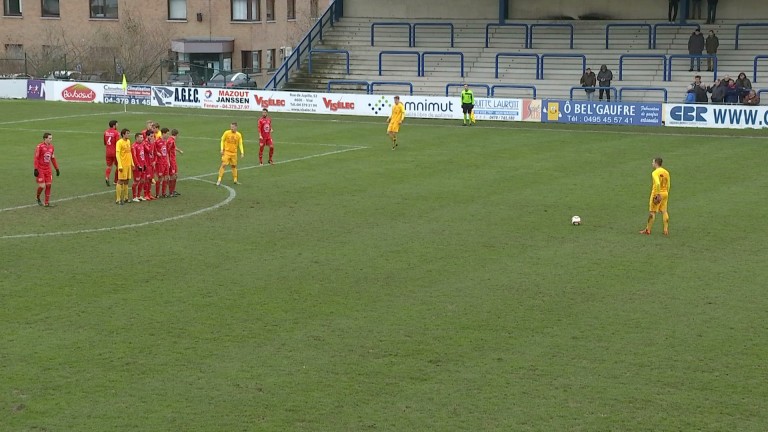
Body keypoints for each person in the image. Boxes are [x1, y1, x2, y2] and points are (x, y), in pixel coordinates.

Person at [639, 157, 671, 236]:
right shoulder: (666, 172)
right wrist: (666, 193)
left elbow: (657, 183)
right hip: (665, 193)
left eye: (653, 162)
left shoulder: (655, 173)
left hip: (657, 193)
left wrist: (657, 194)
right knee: (664, 211)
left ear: (656, 163)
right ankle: (666, 229)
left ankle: (648, 230)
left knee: (652, 212)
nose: (652, 163)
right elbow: (669, 184)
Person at [33, 132, 60, 207]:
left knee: (49, 185)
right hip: (40, 169)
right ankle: (37, 197)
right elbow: (36, 158)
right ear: (45, 138)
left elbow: (53, 158)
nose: (51, 139)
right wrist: (35, 169)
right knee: (42, 186)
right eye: (49, 138)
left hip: (48, 169)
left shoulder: (52, 147)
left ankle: (47, 203)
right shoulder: (40, 147)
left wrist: (56, 168)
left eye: (51, 138)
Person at [217, 122, 244, 186]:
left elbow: (240, 144)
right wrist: (221, 149)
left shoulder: (239, 135)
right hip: (227, 152)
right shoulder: (226, 133)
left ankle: (235, 180)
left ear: (236, 127)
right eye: (231, 127)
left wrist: (242, 152)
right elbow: (222, 140)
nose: (231, 128)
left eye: (233, 127)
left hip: (234, 153)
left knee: (234, 166)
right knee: (223, 164)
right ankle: (219, 179)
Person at [115, 128, 133, 205]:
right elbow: (117, 154)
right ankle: (118, 199)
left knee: (126, 181)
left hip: (128, 164)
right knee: (120, 181)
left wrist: (132, 163)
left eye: (129, 133)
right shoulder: (119, 142)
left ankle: (126, 198)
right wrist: (120, 165)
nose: (128, 135)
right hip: (123, 165)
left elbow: (129, 153)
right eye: (127, 133)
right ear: (123, 134)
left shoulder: (128, 141)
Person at [155, 128, 171, 197]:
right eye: (167, 133)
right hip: (160, 162)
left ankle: (164, 193)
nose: (168, 135)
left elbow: (167, 152)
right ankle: (157, 194)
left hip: (165, 162)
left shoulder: (166, 141)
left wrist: (168, 162)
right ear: (163, 133)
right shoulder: (157, 141)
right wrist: (157, 153)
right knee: (160, 178)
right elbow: (153, 151)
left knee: (166, 177)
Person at [130, 133, 146, 202]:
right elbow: (134, 156)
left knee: (142, 180)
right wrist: (138, 165)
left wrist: (144, 164)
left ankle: (139, 195)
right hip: (137, 167)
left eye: (142, 137)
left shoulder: (142, 144)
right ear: (136, 138)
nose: (142, 139)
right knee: (136, 181)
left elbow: (143, 155)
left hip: (142, 165)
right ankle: (134, 197)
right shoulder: (134, 146)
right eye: (141, 137)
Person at [167, 129, 183, 197]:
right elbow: (167, 150)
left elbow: (173, 147)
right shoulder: (170, 141)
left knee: (175, 175)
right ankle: (170, 192)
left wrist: (179, 150)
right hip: (171, 160)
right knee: (172, 176)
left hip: (173, 160)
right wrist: (168, 161)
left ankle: (173, 190)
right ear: (177, 134)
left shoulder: (172, 140)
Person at [104, 119, 120, 186]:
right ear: (114, 125)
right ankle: (115, 181)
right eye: (117, 124)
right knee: (119, 166)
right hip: (115, 152)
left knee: (109, 166)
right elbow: (118, 143)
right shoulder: (116, 133)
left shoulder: (105, 132)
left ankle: (107, 177)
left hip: (108, 152)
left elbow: (105, 143)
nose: (118, 125)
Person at [143, 131, 156, 201]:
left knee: (151, 179)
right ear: (147, 136)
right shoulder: (144, 143)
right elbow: (150, 151)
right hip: (147, 164)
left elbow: (154, 153)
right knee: (147, 179)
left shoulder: (151, 143)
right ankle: (145, 194)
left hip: (151, 163)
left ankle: (149, 194)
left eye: (153, 136)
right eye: (151, 136)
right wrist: (151, 143)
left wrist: (154, 161)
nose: (152, 137)